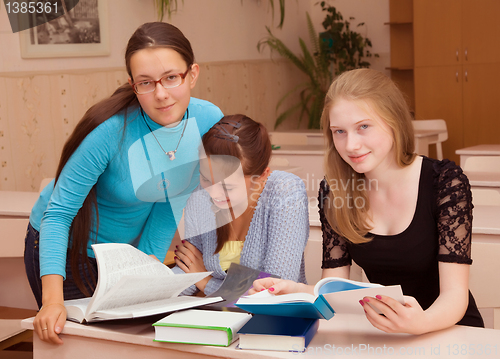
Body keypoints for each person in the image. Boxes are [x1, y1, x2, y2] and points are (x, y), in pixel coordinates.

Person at [24, 22, 223, 344]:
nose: (161, 94)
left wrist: (142, 277)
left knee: (133, 341)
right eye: (146, 82)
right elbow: (58, 215)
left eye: (171, 77)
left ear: (193, 74)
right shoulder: (109, 133)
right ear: (133, 85)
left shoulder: (208, 120)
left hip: (125, 252)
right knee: (80, 345)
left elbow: (171, 203)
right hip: (67, 248)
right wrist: (52, 301)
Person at [250, 68, 484, 334]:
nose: (351, 145)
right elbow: (336, 290)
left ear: (393, 120)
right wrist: (296, 291)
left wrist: (420, 324)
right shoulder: (335, 190)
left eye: (363, 127)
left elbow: (455, 297)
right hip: (384, 334)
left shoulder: (444, 181)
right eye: (339, 131)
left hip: (450, 331)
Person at [171, 114, 309, 295]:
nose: (213, 194)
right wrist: (154, 281)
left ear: (261, 177)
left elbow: (273, 291)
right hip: (218, 316)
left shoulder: (285, 191)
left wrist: (206, 282)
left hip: (275, 320)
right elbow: (188, 269)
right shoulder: (201, 195)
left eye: (227, 186)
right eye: (206, 178)